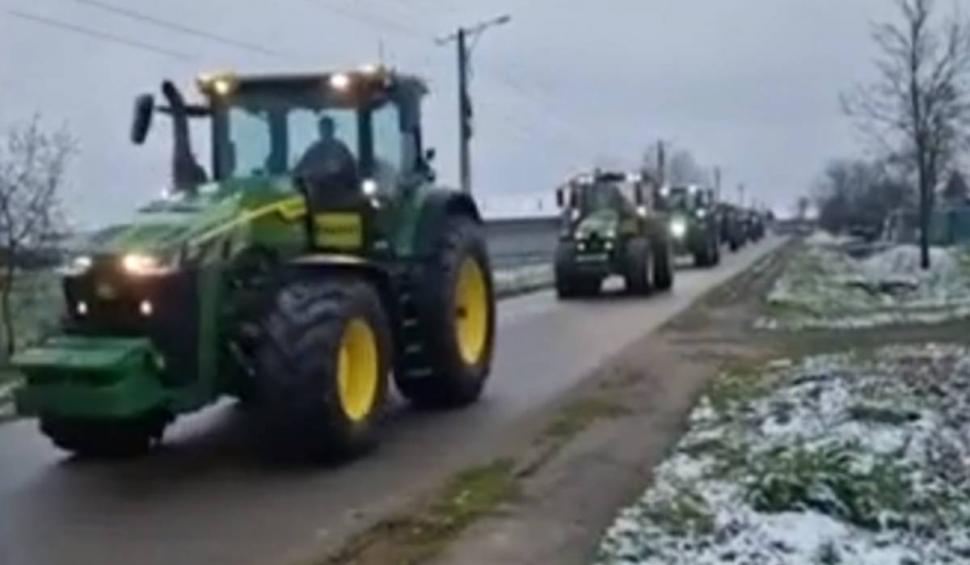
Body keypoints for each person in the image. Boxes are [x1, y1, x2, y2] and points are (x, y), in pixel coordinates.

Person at [294, 116, 357, 183]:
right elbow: (300, 168)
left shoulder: (341, 148)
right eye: (323, 128)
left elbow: (352, 167)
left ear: (332, 129)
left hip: (338, 186)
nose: (325, 131)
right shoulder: (313, 150)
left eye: (328, 128)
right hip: (317, 187)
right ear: (320, 130)